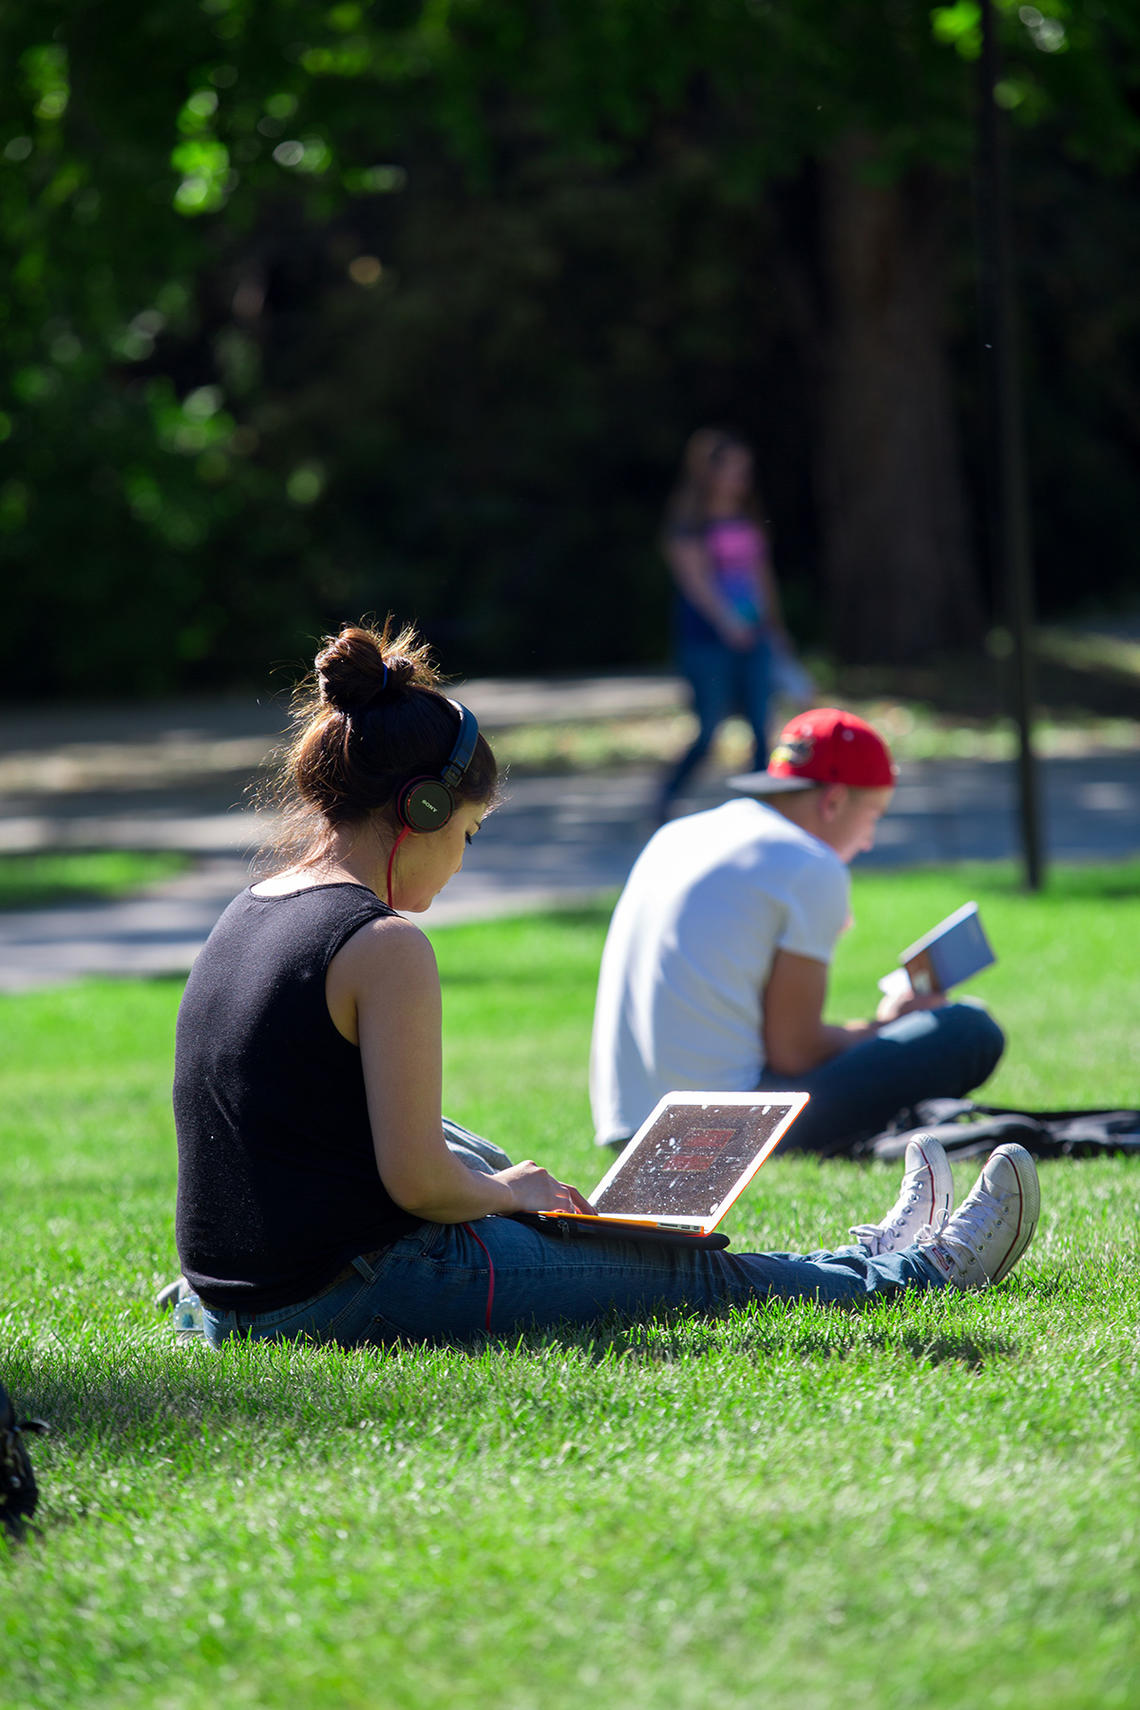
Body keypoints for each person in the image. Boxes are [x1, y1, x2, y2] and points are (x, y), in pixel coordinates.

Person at [172, 623, 1038, 1352]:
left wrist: (498, 1183)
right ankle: (913, 1272)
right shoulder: (383, 943)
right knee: (682, 1268)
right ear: (424, 811)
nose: (462, 860)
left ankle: (865, 1259)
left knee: (465, 1145)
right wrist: (511, 1194)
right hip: (342, 1293)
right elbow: (416, 1186)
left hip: (237, 1297)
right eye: (468, 833)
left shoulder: (252, 908)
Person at [591, 706, 1006, 1156]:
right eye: (873, 817)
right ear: (833, 801)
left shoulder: (677, 834)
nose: (868, 841)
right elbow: (795, 1052)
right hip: (725, 1135)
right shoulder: (809, 863)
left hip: (627, 1129)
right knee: (968, 1029)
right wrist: (888, 1024)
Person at [657, 428, 796, 820]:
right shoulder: (688, 524)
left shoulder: (746, 516)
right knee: (710, 728)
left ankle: (761, 809)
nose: (741, 479)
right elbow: (696, 583)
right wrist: (729, 623)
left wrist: (775, 627)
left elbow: (761, 575)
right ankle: (666, 796)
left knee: (760, 723)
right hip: (706, 640)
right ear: (709, 473)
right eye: (734, 469)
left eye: (744, 470)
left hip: (755, 635)